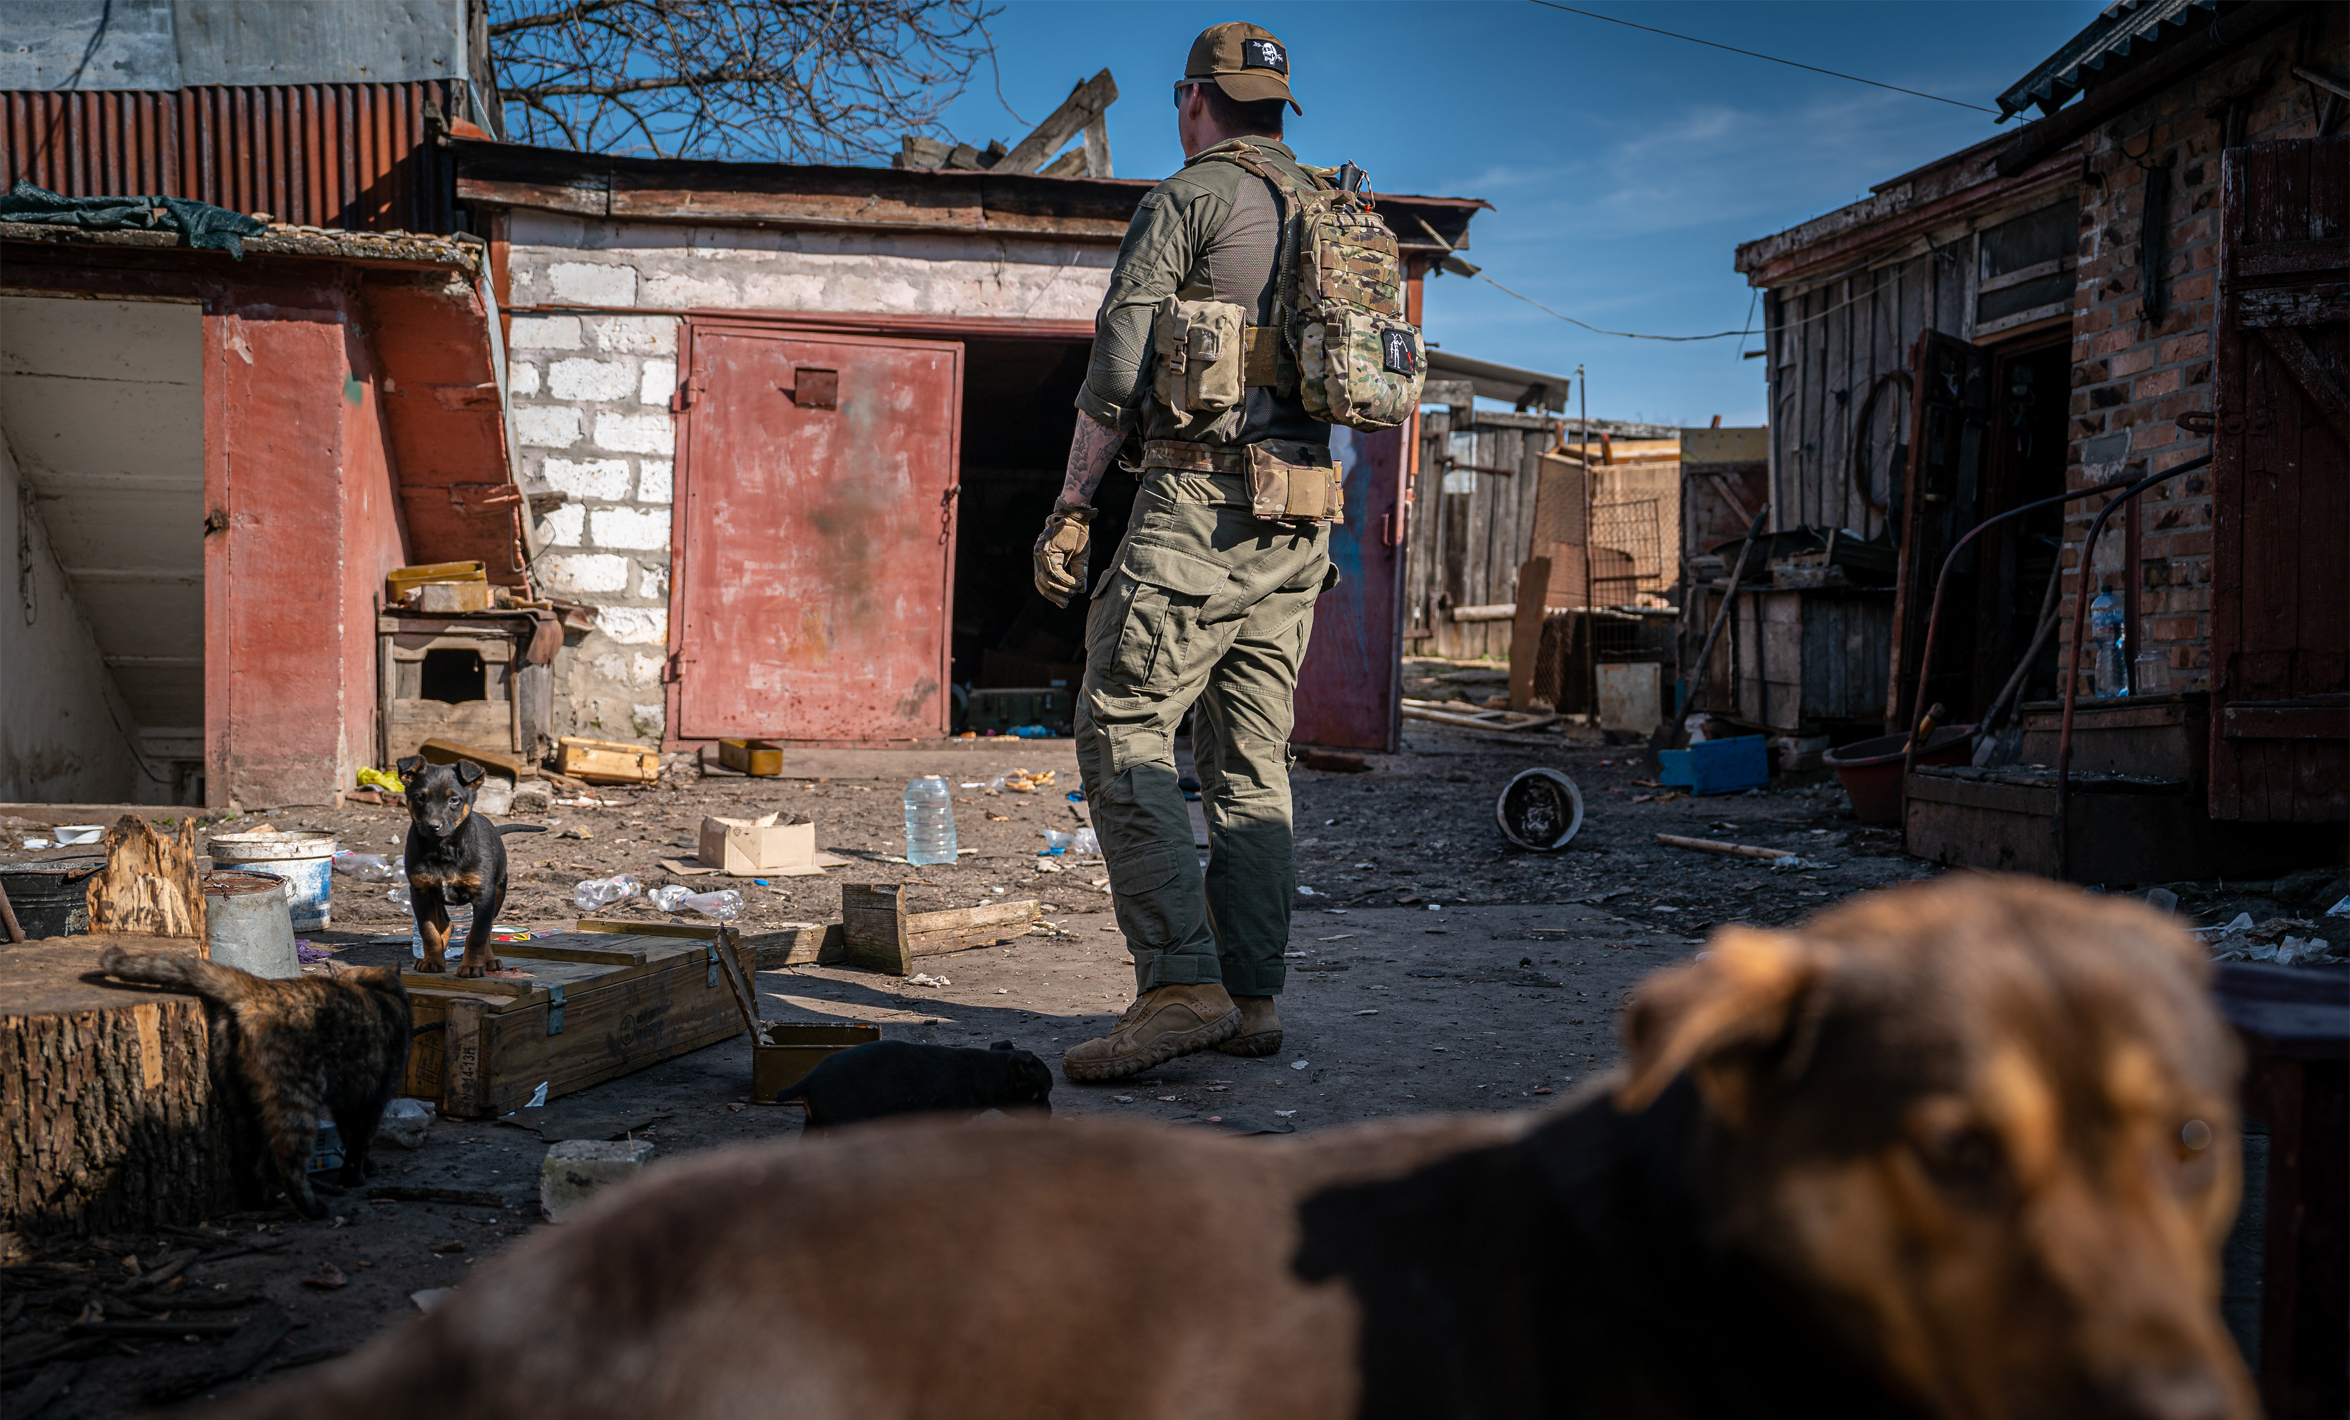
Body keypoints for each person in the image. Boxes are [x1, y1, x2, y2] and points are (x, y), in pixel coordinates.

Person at [1034, 21, 1342, 1081]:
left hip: (1199, 511)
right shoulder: (1336, 210)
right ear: (1279, 107)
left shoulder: (1187, 198)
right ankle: (1251, 996)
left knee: (1119, 723)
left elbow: (1119, 369)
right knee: (1252, 763)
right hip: (1301, 523)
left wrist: (1074, 502)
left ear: (1190, 100)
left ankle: (1179, 984)